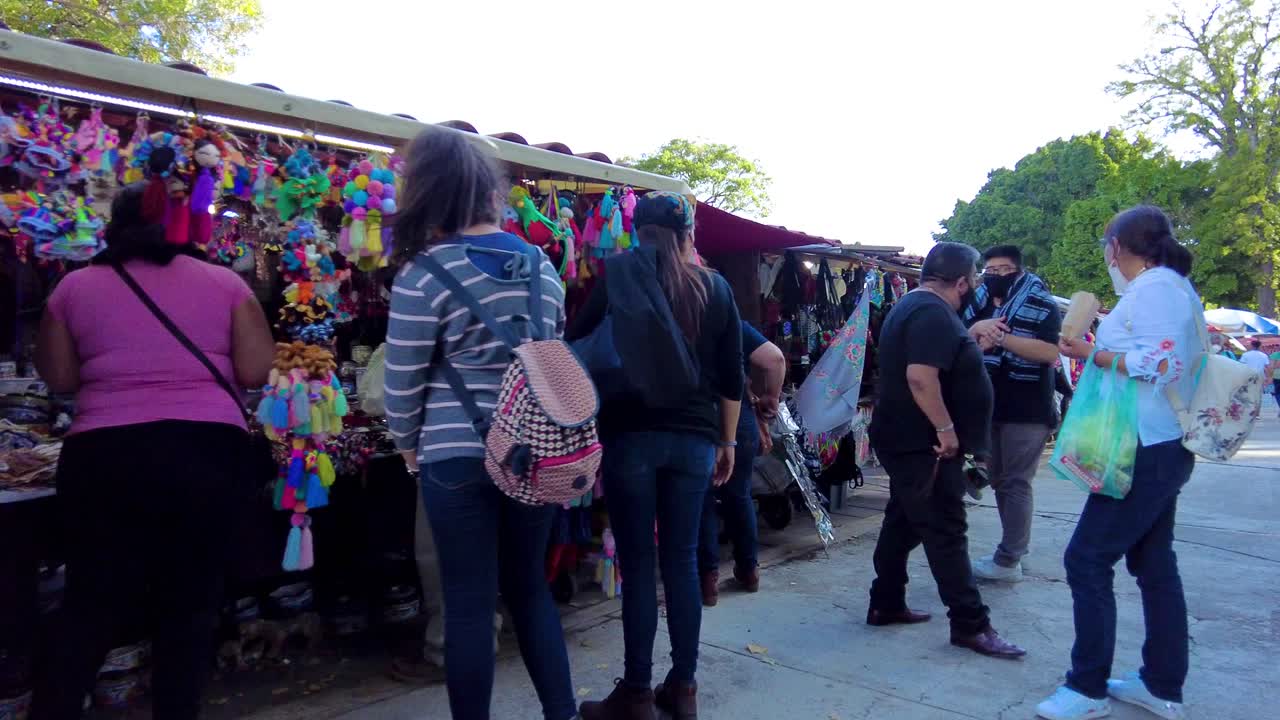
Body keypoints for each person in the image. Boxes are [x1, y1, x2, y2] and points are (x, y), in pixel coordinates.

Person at [32, 183, 275, 719]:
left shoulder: (73, 289)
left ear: (114, 226)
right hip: (205, 453)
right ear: (185, 226)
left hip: (104, 456)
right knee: (188, 609)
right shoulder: (225, 284)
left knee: (90, 604)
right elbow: (256, 371)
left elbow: (61, 378)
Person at [383, 128, 575, 720]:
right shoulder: (541, 266)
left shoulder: (424, 273)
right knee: (529, 590)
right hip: (534, 447)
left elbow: (403, 379)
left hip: (453, 455)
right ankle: (562, 714)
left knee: (467, 602)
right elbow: (553, 353)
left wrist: (407, 446)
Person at [570, 191, 743, 720]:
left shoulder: (617, 276)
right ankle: (684, 687)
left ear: (636, 232)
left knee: (640, 566)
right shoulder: (715, 287)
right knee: (684, 563)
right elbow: (732, 374)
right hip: (694, 441)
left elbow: (576, 344)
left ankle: (638, 693)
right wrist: (728, 441)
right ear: (690, 234)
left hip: (630, 440)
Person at [1037, 206, 1200, 720]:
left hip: (1145, 447)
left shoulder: (1154, 289)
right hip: (1161, 443)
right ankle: (1161, 683)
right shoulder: (1172, 288)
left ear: (1117, 246)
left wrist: (1093, 351)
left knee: (1085, 559)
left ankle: (1086, 688)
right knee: (1154, 564)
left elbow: (1159, 362)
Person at [865, 242, 1026, 661]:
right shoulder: (932, 313)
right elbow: (921, 377)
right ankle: (971, 624)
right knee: (946, 529)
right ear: (961, 281)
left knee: (904, 520)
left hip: (909, 439)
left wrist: (969, 341)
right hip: (925, 443)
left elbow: (933, 361)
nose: (976, 286)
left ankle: (885, 601)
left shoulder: (917, 308)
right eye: (974, 279)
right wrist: (947, 429)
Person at [963, 245, 1063, 583]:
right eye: (989, 270)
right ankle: (1013, 550)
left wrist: (1001, 338)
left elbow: (1050, 351)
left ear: (1018, 270)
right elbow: (964, 345)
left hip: (1028, 408)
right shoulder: (975, 303)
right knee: (1000, 480)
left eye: (1003, 270)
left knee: (1015, 482)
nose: (994, 276)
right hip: (988, 405)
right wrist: (981, 336)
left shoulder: (1042, 304)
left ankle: (1009, 560)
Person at [698, 322, 785, 606]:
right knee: (739, 494)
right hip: (739, 417)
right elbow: (774, 359)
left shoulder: (675, 312)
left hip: (699, 415)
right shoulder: (727, 315)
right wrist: (771, 398)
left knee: (703, 499)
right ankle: (749, 570)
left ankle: (707, 580)